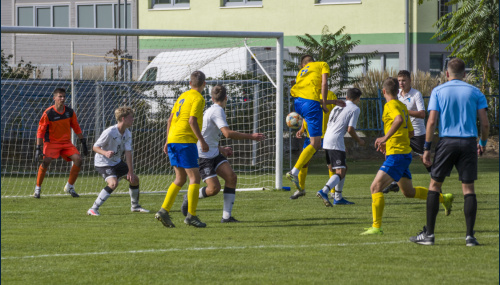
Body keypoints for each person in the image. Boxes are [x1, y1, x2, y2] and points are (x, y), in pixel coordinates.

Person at [410, 58, 489, 246]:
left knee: (435, 185)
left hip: (447, 142)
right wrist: (483, 142)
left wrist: (427, 148)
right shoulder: (476, 92)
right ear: (464, 74)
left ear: (447, 73)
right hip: (469, 142)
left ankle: (429, 235)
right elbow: (485, 123)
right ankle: (470, 236)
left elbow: (431, 122)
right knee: (468, 189)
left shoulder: (438, 91)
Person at [360, 78, 453, 236]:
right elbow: (410, 132)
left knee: (375, 187)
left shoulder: (390, 105)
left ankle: (376, 227)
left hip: (397, 155)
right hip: (402, 154)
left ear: (384, 92)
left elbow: (398, 120)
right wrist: (388, 143)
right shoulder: (402, 106)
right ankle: (443, 198)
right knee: (408, 192)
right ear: (397, 92)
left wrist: (385, 138)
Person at [179, 85, 266, 223]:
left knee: (231, 177)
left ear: (212, 98)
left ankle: (226, 217)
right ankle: (189, 197)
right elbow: (227, 133)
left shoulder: (212, 110)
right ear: (226, 98)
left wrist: (221, 149)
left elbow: (207, 136)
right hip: (203, 156)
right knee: (214, 189)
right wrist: (251, 136)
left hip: (214, 152)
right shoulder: (217, 111)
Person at [155, 70, 209, 228]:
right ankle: (191, 215)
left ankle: (164, 211)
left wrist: (167, 140)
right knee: (195, 178)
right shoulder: (198, 98)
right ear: (204, 84)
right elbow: (192, 121)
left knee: (180, 178)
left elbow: (170, 119)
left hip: (173, 139)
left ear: (190, 83)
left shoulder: (182, 96)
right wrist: (202, 141)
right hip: (185, 141)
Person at [286, 55, 345, 191]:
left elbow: (307, 95)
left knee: (313, 144)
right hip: (312, 105)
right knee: (315, 144)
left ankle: (300, 186)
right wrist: (324, 103)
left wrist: (332, 102)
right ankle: (294, 172)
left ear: (303, 65)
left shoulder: (302, 72)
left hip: (299, 104)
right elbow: (324, 83)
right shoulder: (322, 64)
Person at [87, 107, 149, 216]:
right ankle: (93, 209)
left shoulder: (127, 133)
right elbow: (95, 147)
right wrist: (105, 153)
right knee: (113, 183)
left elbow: (128, 152)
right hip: (103, 162)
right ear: (123, 118)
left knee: (134, 180)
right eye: (131, 117)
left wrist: (130, 171)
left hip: (116, 161)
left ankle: (135, 206)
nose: (133, 119)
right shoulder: (110, 132)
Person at [33, 87, 89, 198]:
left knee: (78, 159)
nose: (62, 99)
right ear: (54, 98)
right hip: (51, 142)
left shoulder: (69, 112)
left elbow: (76, 127)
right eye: (60, 96)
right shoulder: (48, 113)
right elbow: (40, 131)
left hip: (66, 143)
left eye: (64, 96)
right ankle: (37, 189)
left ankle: (69, 187)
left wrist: (83, 142)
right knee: (46, 161)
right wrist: (38, 148)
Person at [383, 70, 431, 194]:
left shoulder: (416, 94)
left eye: (404, 80)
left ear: (410, 80)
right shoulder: (396, 94)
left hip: (416, 132)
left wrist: (403, 110)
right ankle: (394, 183)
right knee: (391, 154)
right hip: (401, 132)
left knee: (425, 160)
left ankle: (436, 181)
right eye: (399, 81)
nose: (401, 83)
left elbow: (422, 114)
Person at [290, 90, 344, 200]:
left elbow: (335, 112)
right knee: (304, 163)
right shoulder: (309, 93)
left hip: (327, 135)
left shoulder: (330, 95)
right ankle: (301, 189)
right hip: (311, 135)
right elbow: (307, 114)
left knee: (331, 165)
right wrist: (302, 128)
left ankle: (333, 192)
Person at [316, 88, 365, 207]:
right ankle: (324, 191)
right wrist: (359, 140)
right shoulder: (355, 108)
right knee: (340, 171)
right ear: (358, 99)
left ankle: (338, 198)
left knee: (341, 168)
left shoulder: (337, 106)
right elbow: (350, 129)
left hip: (327, 139)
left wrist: (340, 144)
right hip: (335, 140)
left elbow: (334, 125)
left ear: (347, 96)